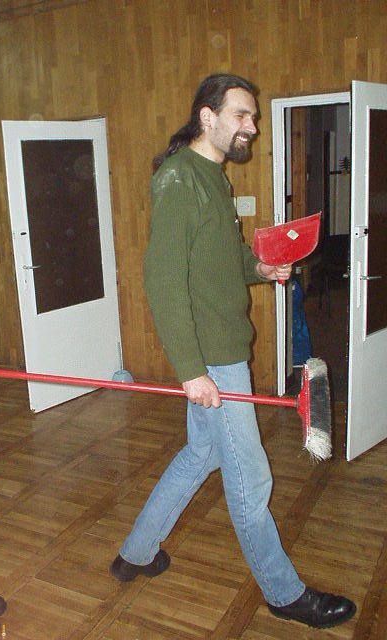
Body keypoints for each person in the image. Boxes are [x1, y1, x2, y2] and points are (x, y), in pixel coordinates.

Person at [110, 73, 356, 629]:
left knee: (201, 454)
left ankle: (136, 554)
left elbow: (221, 257)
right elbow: (163, 281)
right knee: (252, 479)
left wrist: (260, 267)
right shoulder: (179, 179)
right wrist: (192, 371)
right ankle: (284, 593)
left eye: (253, 117)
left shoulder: (212, 177)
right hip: (212, 359)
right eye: (242, 115)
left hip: (222, 350)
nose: (252, 126)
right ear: (208, 116)